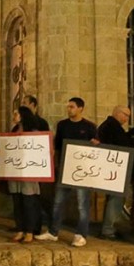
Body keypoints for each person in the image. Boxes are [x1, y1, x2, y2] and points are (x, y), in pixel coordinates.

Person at [45, 97, 99, 247]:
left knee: (82, 204)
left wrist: (95, 144)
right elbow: (57, 147)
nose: (69, 109)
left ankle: (81, 234)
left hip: (83, 171)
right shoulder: (62, 125)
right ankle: (53, 232)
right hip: (65, 169)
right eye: (68, 107)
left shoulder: (89, 127)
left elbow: (96, 149)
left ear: (81, 108)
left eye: (72, 107)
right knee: (58, 201)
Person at [97, 105, 134, 240]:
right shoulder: (112, 127)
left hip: (112, 170)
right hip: (114, 170)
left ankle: (110, 227)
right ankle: (108, 230)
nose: (126, 118)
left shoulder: (109, 126)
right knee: (116, 199)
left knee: (114, 199)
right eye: (125, 114)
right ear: (117, 113)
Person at [8, 107, 43, 243]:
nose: (14, 116)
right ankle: (20, 229)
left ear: (23, 116)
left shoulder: (33, 133)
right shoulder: (13, 132)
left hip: (29, 174)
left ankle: (30, 231)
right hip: (14, 173)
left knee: (28, 203)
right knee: (17, 203)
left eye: (16, 114)